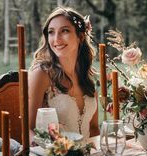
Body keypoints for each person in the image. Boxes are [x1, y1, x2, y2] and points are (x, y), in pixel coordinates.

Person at [28, 6, 100, 142]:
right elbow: (28, 129)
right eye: (51, 32)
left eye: (64, 31)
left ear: (80, 36)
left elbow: (94, 128)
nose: (56, 39)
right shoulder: (42, 74)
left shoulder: (89, 76)